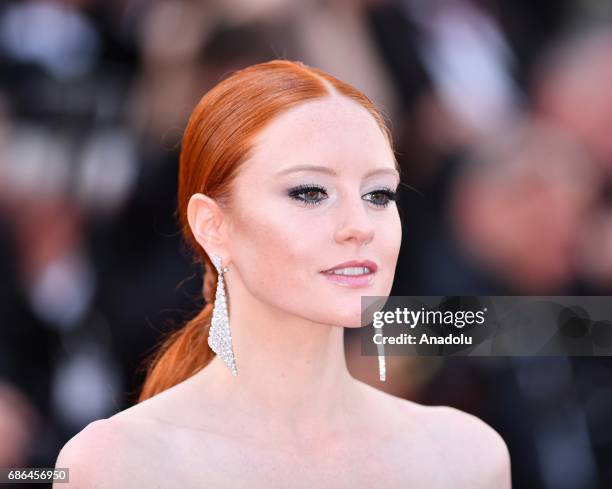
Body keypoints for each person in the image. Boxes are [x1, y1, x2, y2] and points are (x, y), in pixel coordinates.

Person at [54, 59, 510, 488]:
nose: (358, 227)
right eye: (310, 192)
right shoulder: (119, 464)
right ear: (213, 226)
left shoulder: (465, 456)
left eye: (378, 195)